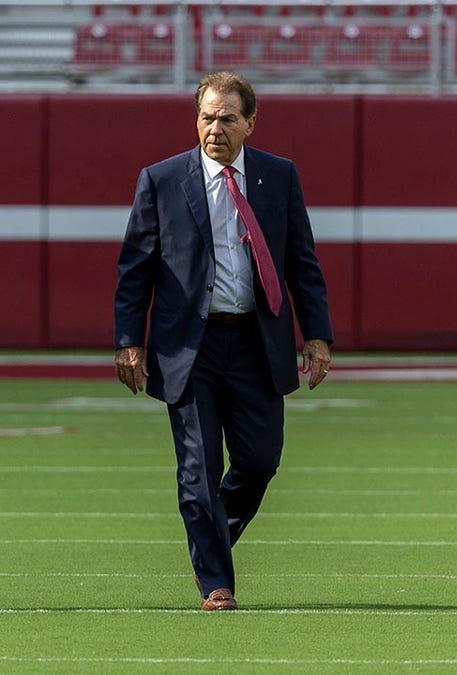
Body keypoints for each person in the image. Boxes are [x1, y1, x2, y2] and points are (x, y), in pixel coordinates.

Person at [114, 71, 333, 611]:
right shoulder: (161, 180)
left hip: (259, 343)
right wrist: (128, 341)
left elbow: (302, 263)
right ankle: (217, 582)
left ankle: (209, 545)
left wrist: (318, 336)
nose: (215, 127)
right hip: (190, 347)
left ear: (250, 124)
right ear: (196, 120)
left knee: (260, 461)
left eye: (228, 118)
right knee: (198, 469)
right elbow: (135, 270)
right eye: (207, 116)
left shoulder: (279, 177)